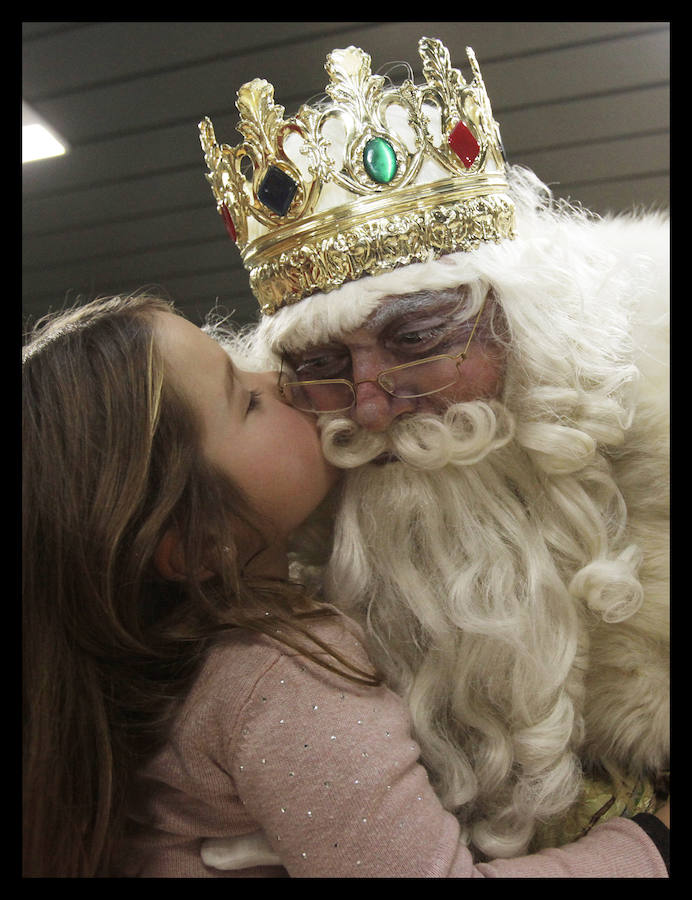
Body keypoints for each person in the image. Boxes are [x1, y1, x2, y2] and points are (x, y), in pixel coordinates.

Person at [198, 36, 669, 864]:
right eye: (323, 367)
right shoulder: (291, 539)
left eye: (415, 337)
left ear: (523, 329)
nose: (371, 407)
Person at [22, 293, 668, 878]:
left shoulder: (174, 650)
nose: (279, 379)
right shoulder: (282, 670)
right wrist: (651, 844)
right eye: (246, 401)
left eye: (416, 339)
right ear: (194, 544)